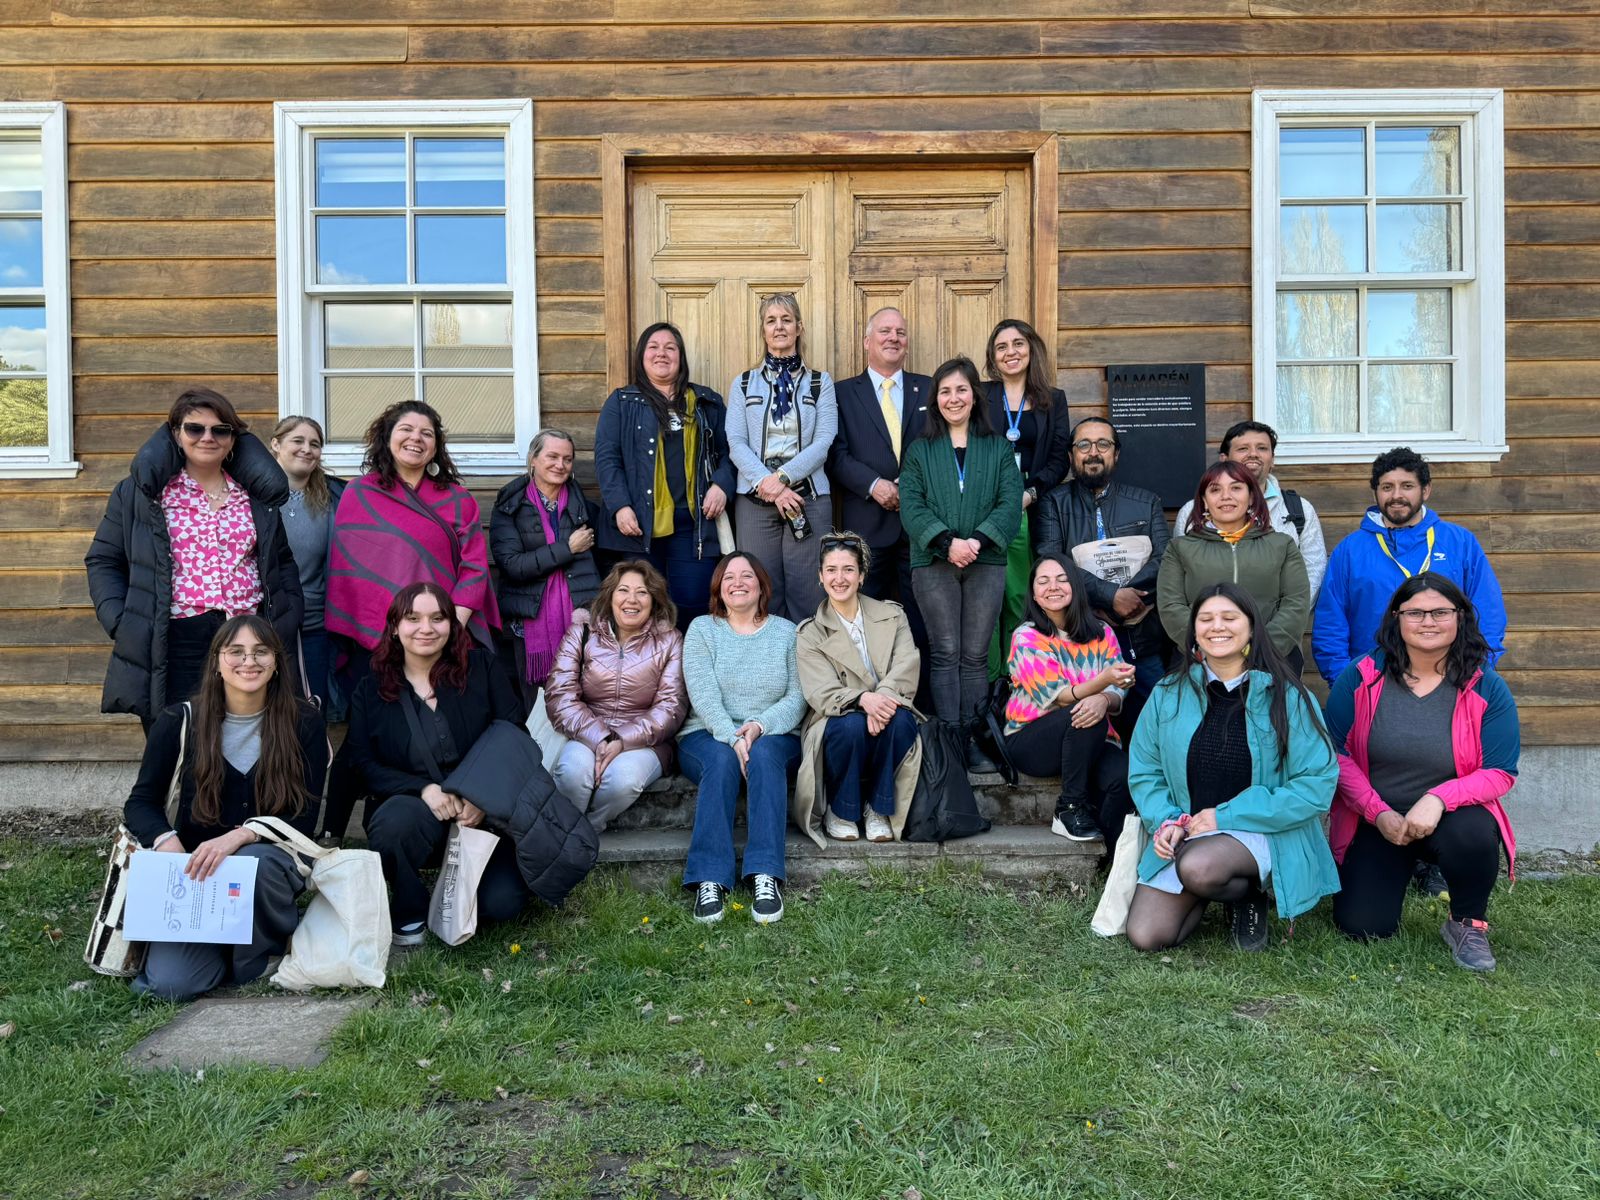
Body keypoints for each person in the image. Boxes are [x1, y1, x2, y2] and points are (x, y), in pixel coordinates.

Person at [121, 615, 328, 1001]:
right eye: (236, 652)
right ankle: (222, 949)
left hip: (268, 866)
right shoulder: (178, 721)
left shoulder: (304, 723)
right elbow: (141, 803)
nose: (249, 661)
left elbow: (304, 818)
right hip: (196, 877)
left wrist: (242, 835)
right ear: (217, 661)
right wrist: (166, 840)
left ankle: (258, 954)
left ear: (276, 662)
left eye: (261, 652)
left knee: (256, 863)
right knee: (171, 984)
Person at [1125, 584, 1339, 953]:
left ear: (1252, 627)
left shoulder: (1287, 696)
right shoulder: (1168, 693)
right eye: (1205, 619)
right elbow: (1146, 770)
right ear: (1194, 631)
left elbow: (1316, 784)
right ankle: (1222, 886)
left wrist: (1224, 817)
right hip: (1190, 829)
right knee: (1146, 935)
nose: (1217, 627)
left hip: (1264, 829)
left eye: (1229, 617)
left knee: (1198, 867)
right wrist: (1168, 821)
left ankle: (1249, 891)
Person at [1323, 576, 1518, 972]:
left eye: (1440, 612)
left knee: (1474, 833)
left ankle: (1467, 922)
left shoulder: (1485, 685)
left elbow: (1500, 772)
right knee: (1363, 926)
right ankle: (1402, 868)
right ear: (1396, 618)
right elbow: (1334, 754)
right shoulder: (1361, 676)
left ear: (1460, 617)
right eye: (1415, 613)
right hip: (1380, 821)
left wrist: (1438, 798)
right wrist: (1377, 812)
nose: (1428, 622)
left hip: (1452, 818)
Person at [86, 387, 304, 731]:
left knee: (248, 738)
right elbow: (103, 560)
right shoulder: (144, 493)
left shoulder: (255, 496)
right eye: (195, 428)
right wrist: (122, 622)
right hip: (177, 637)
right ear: (176, 433)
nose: (208, 437)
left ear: (233, 439)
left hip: (248, 636)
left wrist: (289, 615)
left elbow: (282, 560)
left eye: (220, 430)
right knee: (179, 740)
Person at [347, 582, 529, 947]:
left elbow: (514, 738)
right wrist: (424, 789)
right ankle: (409, 905)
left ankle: (463, 891)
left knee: (503, 904)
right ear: (395, 627)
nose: (426, 628)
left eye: (437, 618)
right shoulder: (372, 688)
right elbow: (362, 763)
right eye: (413, 618)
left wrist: (482, 797)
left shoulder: (482, 668)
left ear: (452, 624)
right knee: (393, 822)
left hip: (483, 817)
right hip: (418, 813)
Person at [900, 356, 1025, 770]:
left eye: (961, 390)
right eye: (945, 391)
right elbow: (911, 505)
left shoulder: (998, 447)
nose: (953, 398)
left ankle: (972, 740)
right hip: (933, 562)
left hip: (986, 561)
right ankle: (950, 741)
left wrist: (977, 541)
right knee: (945, 651)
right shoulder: (920, 450)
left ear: (975, 396)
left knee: (974, 655)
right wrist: (947, 542)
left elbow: (1010, 502)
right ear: (935, 399)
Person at [327, 400, 500, 686]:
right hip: (378, 637)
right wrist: (391, 630)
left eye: (426, 433)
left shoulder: (458, 499)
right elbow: (350, 575)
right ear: (387, 437)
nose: (416, 438)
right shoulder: (359, 493)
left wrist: (450, 628)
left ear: (435, 446)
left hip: (442, 636)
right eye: (406, 429)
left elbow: (475, 567)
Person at [679, 552, 806, 926]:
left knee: (764, 756)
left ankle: (765, 874)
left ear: (761, 585)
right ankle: (709, 878)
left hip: (774, 732)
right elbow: (702, 695)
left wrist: (759, 726)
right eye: (728, 577)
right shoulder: (702, 629)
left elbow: (798, 696)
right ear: (718, 587)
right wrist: (732, 738)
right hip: (706, 732)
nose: (737, 582)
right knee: (720, 761)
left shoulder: (787, 633)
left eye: (746, 575)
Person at [1313, 446, 1507, 686]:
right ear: (1375, 492)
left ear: (1425, 490)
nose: (1397, 495)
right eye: (1387, 487)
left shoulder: (1460, 543)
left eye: (1407, 486)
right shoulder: (1350, 550)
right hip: (1372, 681)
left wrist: (1475, 672)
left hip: (1451, 678)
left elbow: (1487, 610)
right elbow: (1330, 622)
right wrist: (1345, 681)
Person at [592, 322, 735, 629]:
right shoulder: (621, 402)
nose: (662, 353)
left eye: (670, 348)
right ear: (641, 356)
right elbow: (607, 459)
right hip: (638, 525)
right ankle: (647, 663)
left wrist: (722, 485)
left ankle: (687, 661)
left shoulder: (706, 403)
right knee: (642, 605)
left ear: (680, 357)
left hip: (694, 525)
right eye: (653, 347)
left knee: (694, 603)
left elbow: (729, 452)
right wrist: (620, 506)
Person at [1033, 416, 1171, 720]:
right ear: (1071, 455)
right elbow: (1051, 560)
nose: (1093, 452)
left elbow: (1166, 560)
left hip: (1141, 636)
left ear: (1116, 453)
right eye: (1084, 445)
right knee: (1086, 722)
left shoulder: (1146, 502)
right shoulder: (1053, 503)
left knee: (1156, 716)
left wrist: (1126, 601)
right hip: (1079, 640)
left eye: (1103, 444)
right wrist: (1110, 596)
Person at [793, 532, 923, 845]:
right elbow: (822, 692)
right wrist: (864, 700)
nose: (840, 578)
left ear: (862, 575)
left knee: (902, 721)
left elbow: (907, 664)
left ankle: (877, 809)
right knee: (850, 726)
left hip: (888, 709)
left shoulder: (893, 615)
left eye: (848, 569)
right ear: (820, 577)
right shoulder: (810, 633)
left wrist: (881, 701)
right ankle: (841, 810)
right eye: (831, 570)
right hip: (837, 719)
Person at [544, 561, 687, 833]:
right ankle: (568, 835)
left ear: (654, 600)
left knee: (622, 780)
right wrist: (600, 737)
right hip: (586, 732)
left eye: (642, 592)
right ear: (609, 596)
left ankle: (588, 830)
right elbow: (559, 695)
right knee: (573, 774)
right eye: (623, 590)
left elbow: (671, 707)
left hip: (644, 740)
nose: (631, 600)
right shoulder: (582, 632)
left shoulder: (670, 640)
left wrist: (621, 740)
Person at [1003, 555, 1136, 843]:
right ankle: (1069, 807)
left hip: (1091, 739)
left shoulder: (1102, 633)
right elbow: (1062, 698)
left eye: (1062, 579)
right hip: (1032, 740)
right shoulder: (1027, 637)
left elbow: (1118, 693)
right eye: (1044, 581)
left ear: (1075, 587)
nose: (1053, 586)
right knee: (1086, 710)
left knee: (1123, 776)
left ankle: (1109, 856)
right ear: (1034, 594)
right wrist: (1104, 683)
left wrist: (1108, 697)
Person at [725, 292, 838, 621]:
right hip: (755, 500)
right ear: (763, 330)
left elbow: (824, 440)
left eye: (786, 320)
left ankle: (808, 654)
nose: (779, 327)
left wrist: (783, 479)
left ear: (799, 328)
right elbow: (736, 441)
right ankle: (768, 656)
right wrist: (768, 484)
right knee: (761, 590)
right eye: (771, 321)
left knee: (809, 592)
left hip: (808, 499)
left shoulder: (820, 383)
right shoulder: (743, 383)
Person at [826, 306, 930, 625]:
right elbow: (834, 454)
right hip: (866, 525)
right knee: (863, 618)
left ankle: (918, 663)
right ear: (866, 341)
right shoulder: (841, 392)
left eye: (900, 332)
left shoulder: (929, 388)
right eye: (885, 331)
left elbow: (939, 448)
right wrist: (874, 485)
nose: (893, 338)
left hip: (919, 523)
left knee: (922, 619)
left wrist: (907, 485)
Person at [982, 318, 1072, 676]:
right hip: (986, 505)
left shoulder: (1054, 399)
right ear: (993, 356)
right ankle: (991, 680)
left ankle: (1022, 675)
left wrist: (1030, 493)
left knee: (1022, 593)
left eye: (1018, 344)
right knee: (990, 593)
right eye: (1001, 347)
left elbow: (1059, 458)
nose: (1011, 353)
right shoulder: (980, 396)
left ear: (1031, 348)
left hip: (1032, 506)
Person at [490, 427, 601, 708]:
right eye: (552, 456)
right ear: (533, 459)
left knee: (584, 700)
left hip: (580, 619)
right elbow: (513, 566)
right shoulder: (510, 508)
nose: (560, 465)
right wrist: (568, 548)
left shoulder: (584, 509)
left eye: (567, 459)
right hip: (529, 619)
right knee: (536, 706)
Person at [1158, 461, 1310, 665]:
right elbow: (1171, 605)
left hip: (1271, 660)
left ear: (1252, 497)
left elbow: (1296, 603)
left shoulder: (1282, 545)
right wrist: (1208, 648)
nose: (1226, 496)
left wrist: (1259, 650)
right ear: (1204, 501)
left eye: (1236, 488)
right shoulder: (1179, 548)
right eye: (1215, 490)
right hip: (1199, 661)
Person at [1175, 420, 1327, 599]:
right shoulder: (1192, 511)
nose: (1253, 454)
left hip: (1278, 616)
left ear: (1273, 459)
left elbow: (1314, 571)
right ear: (1224, 459)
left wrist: (1286, 615)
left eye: (1262, 448)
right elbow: (1180, 573)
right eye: (1243, 449)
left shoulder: (1299, 509)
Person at [269, 415, 345, 710]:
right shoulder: (252, 496)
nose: (307, 449)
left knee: (312, 710)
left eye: (314, 444)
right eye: (297, 441)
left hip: (315, 625)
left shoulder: (335, 498)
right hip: (265, 623)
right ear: (276, 444)